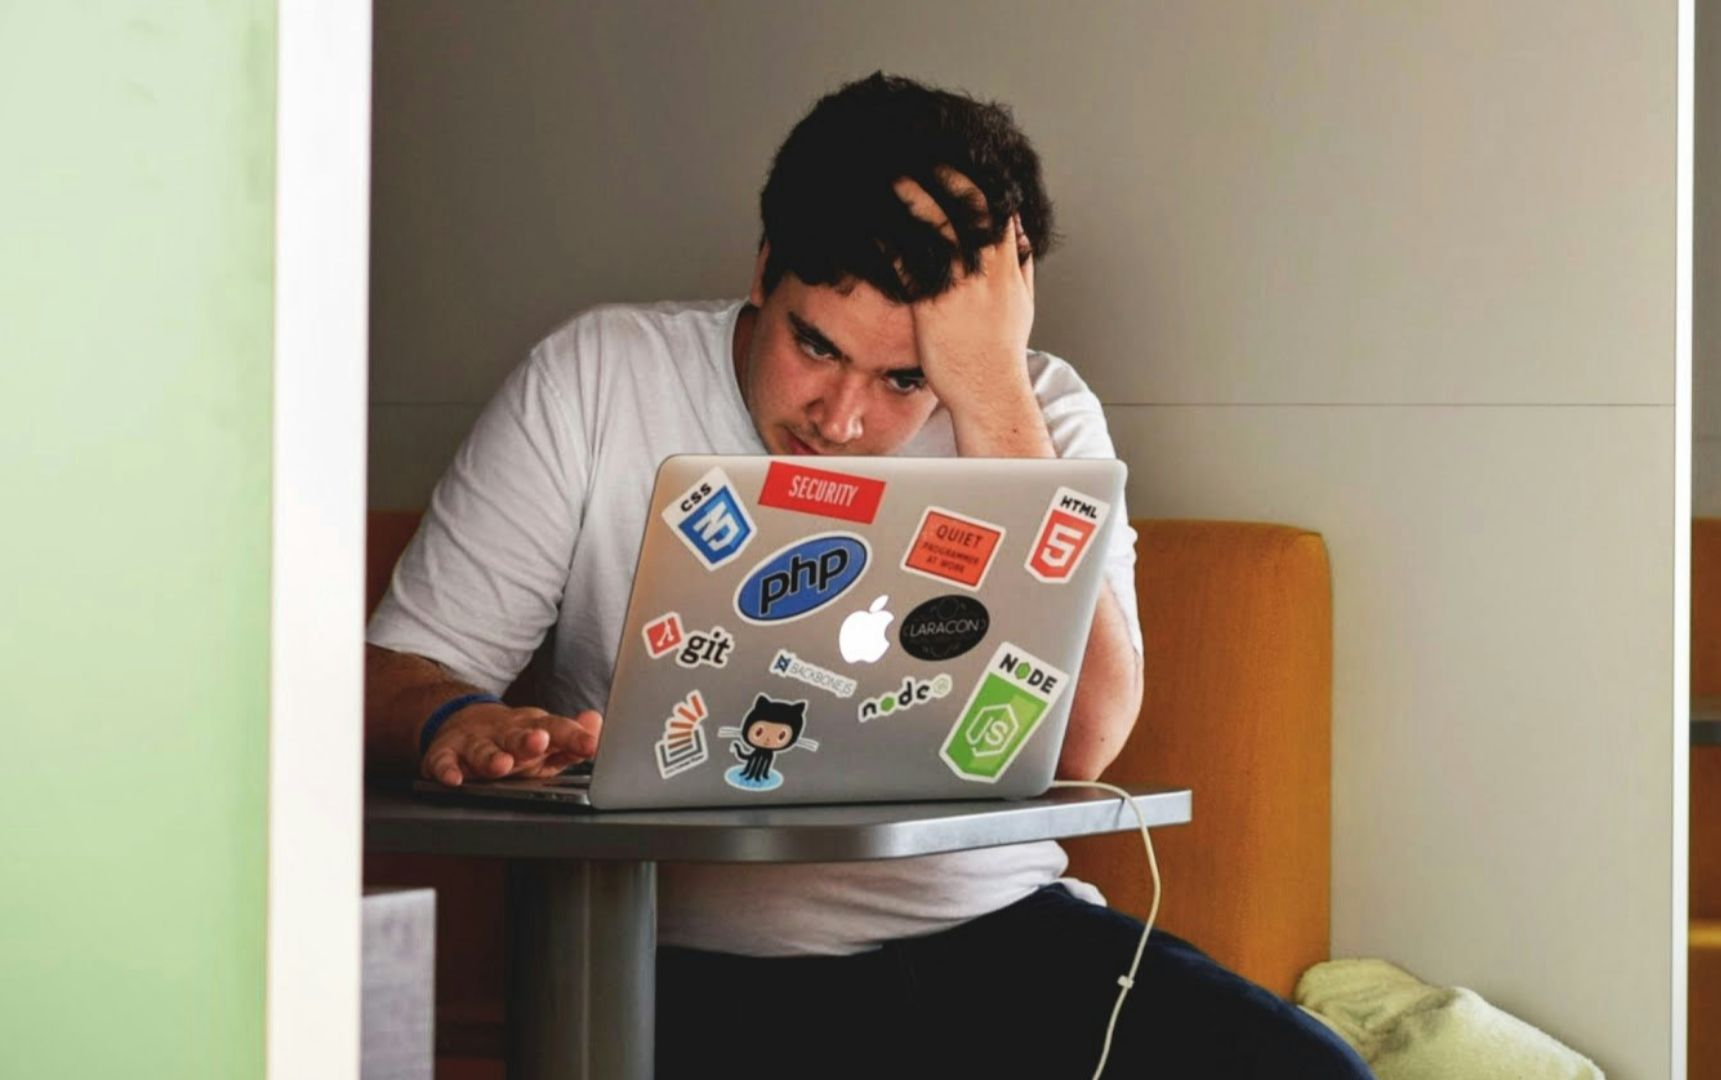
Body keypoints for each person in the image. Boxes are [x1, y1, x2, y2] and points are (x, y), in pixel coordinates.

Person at [364, 72, 1371, 1080]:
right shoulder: (598, 377)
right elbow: (394, 673)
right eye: (815, 345)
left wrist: (989, 393)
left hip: (994, 933)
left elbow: (1087, 741)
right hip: (684, 966)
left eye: (904, 379)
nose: (840, 421)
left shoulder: (1038, 414)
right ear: (765, 268)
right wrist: (455, 721)